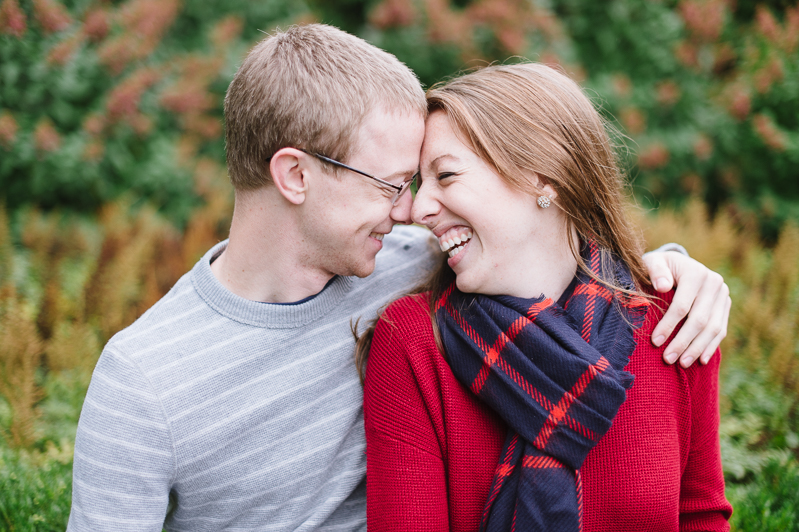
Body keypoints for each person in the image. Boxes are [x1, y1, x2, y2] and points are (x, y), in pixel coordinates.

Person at [68, 25, 729, 532]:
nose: (410, 209)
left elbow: (550, 256)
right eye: (391, 184)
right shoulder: (143, 381)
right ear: (294, 176)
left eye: (422, 181)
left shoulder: (416, 263)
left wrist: (673, 270)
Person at [362, 62, 733, 531]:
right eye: (418, 183)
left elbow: (700, 517)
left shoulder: (675, 322)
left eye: (446, 176)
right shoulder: (414, 340)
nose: (417, 208)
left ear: (542, 177)